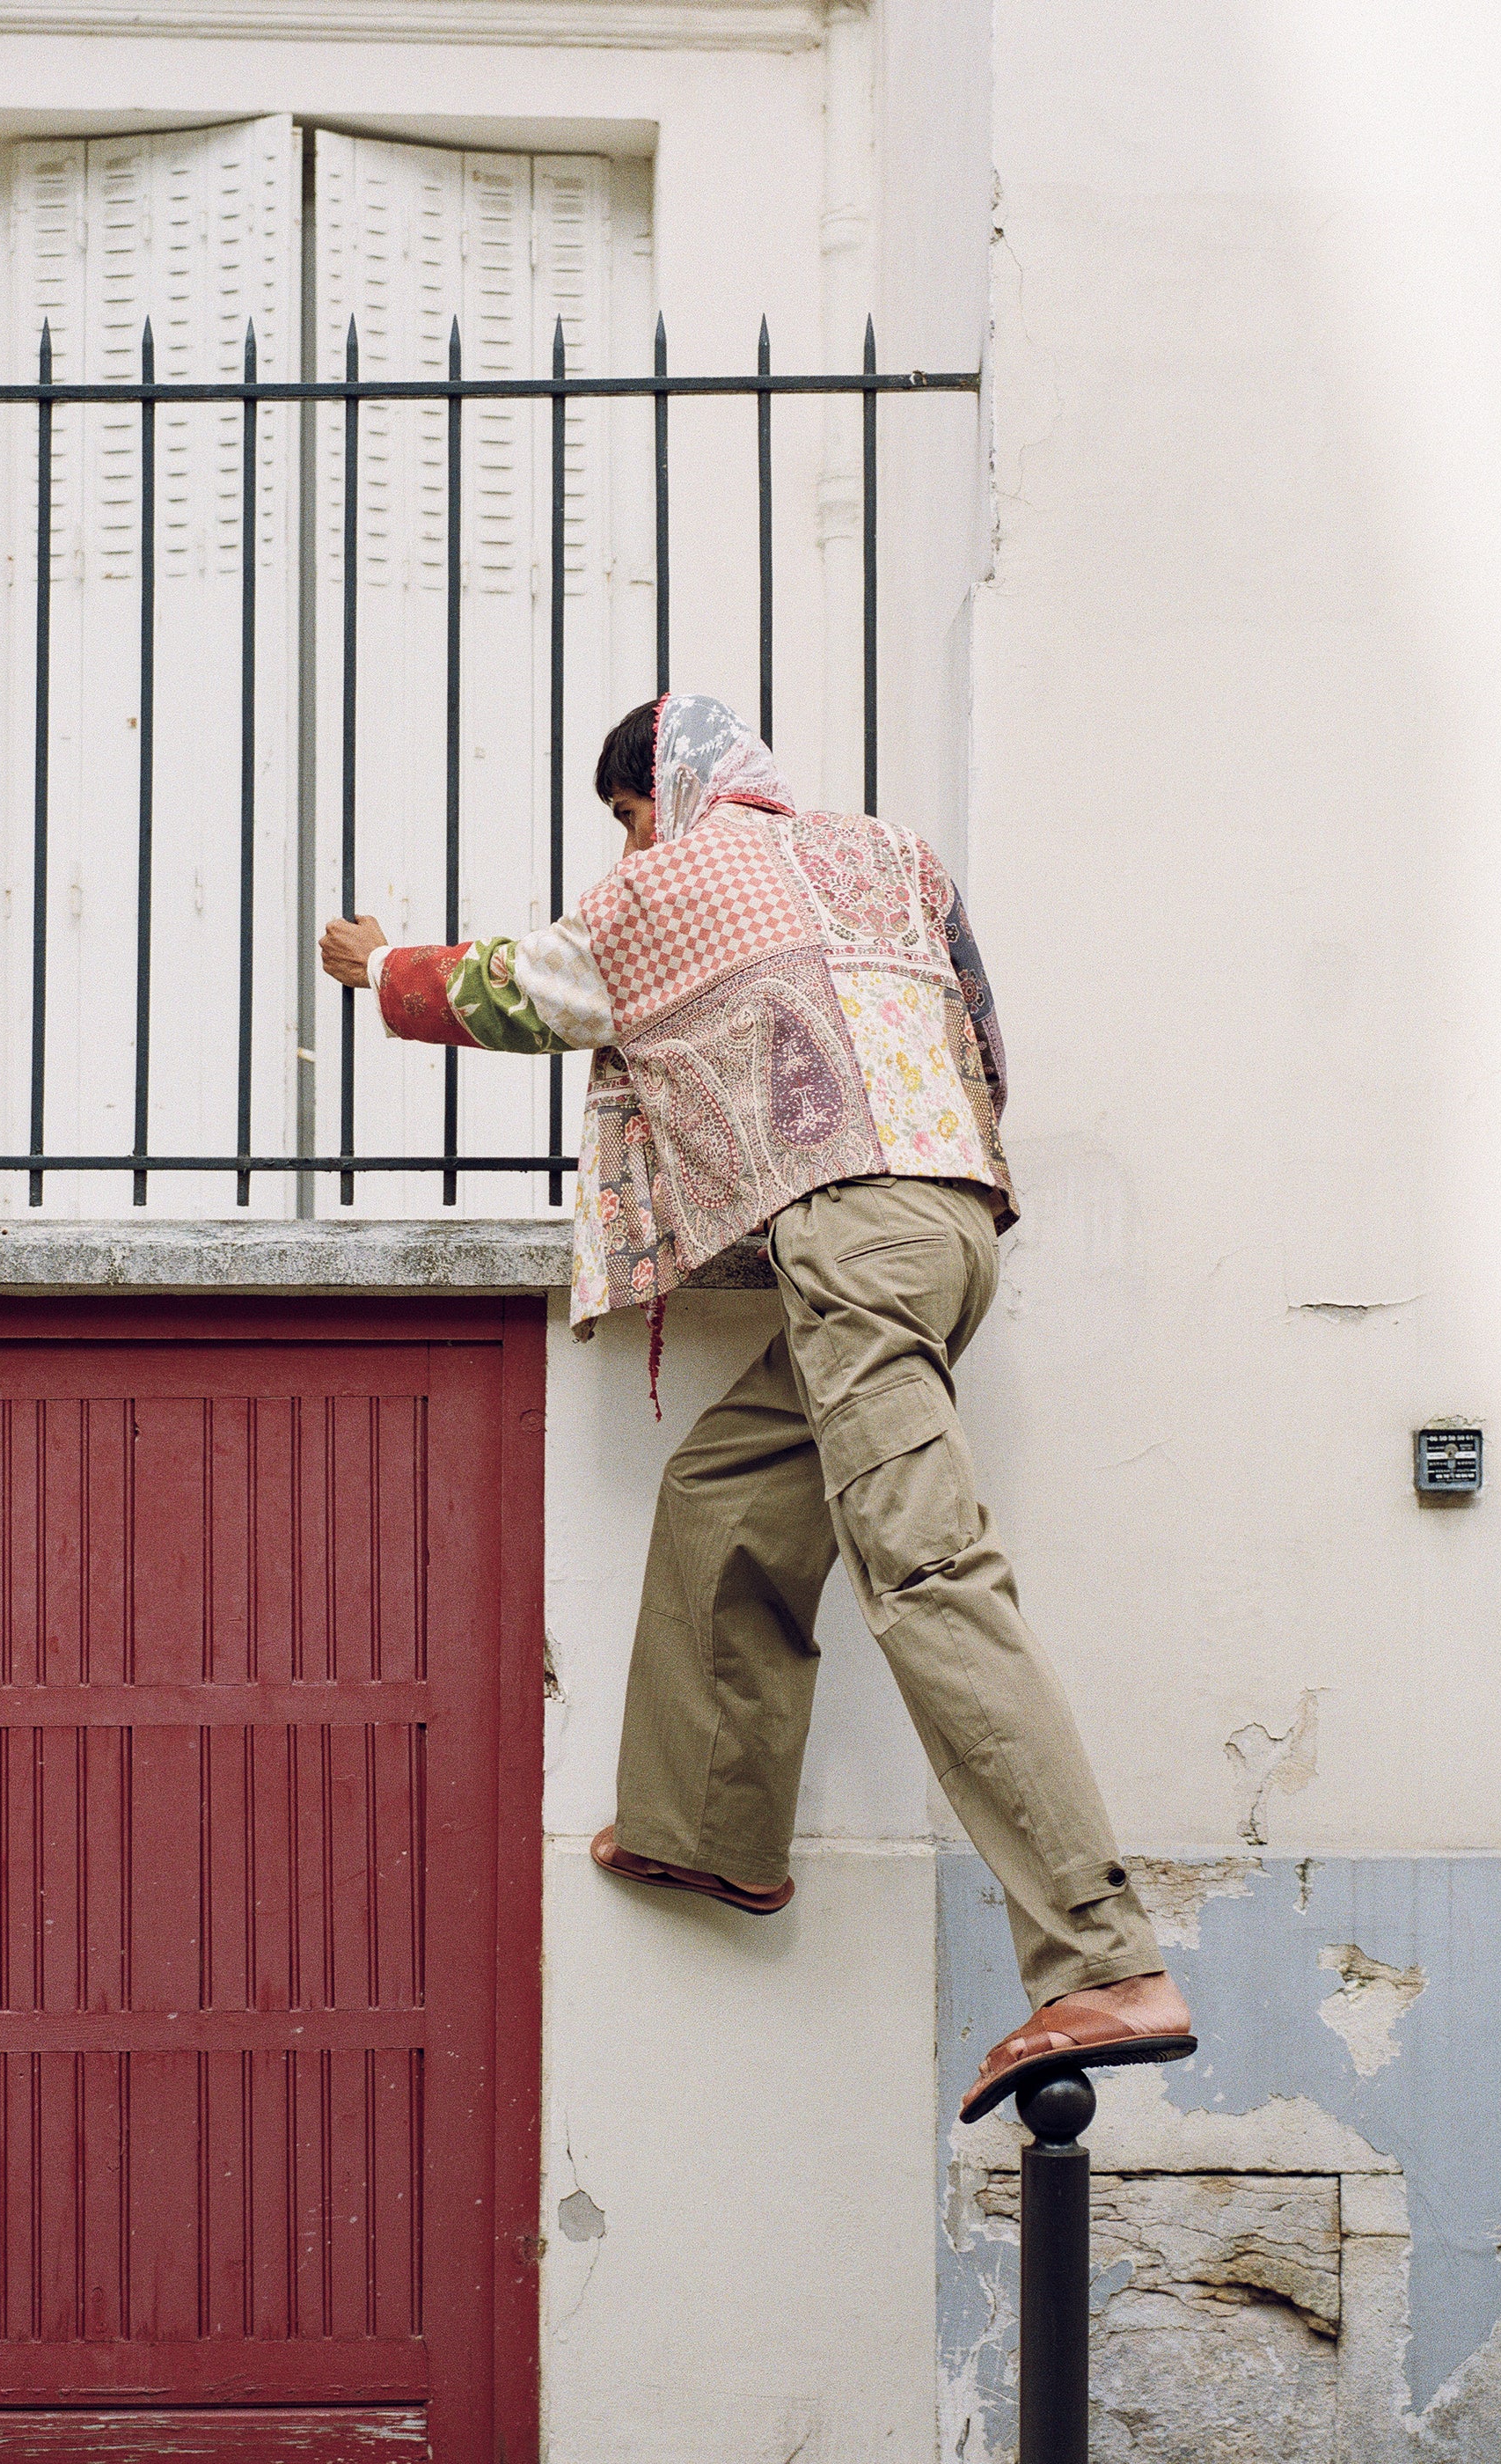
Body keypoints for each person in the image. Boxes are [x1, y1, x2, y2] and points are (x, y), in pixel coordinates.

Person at [320, 693, 1194, 2120]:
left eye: (625, 812)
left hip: (851, 1234)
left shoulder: (674, 882)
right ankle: (710, 1829)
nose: (628, 841)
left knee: (926, 1573)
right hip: (949, 1226)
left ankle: (1100, 1958)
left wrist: (379, 969)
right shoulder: (890, 858)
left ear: (663, 790)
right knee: (726, 1489)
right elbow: (981, 1027)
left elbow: (515, 991)